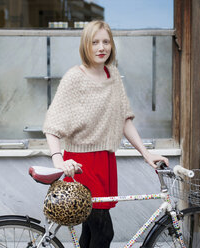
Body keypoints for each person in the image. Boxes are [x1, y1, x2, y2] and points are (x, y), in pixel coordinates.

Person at [42, 20, 169, 248]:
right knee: (104, 232)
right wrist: (58, 159)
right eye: (95, 42)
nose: (101, 47)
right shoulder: (75, 77)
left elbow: (124, 120)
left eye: (106, 42)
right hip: (82, 165)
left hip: (106, 161)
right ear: (85, 46)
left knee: (91, 231)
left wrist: (146, 154)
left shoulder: (113, 76)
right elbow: (52, 124)